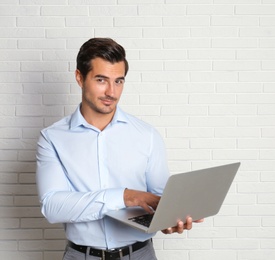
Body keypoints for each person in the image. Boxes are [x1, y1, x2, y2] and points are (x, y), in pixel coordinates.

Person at [36, 38, 200, 260]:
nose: (111, 92)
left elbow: (159, 199)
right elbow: (53, 207)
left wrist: (170, 219)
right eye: (101, 80)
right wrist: (124, 197)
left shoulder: (147, 135)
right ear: (79, 77)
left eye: (119, 81)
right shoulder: (52, 138)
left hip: (140, 254)